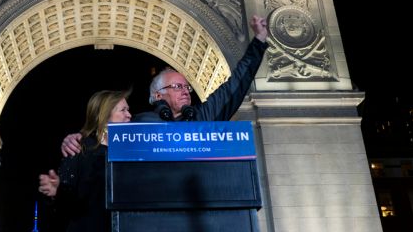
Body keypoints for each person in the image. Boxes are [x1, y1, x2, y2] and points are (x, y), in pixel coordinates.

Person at [60, 14, 268, 156]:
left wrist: (259, 41)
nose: (186, 91)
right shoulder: (138, 123)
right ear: (158, 95)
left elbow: (234, 86)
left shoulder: (202, 117)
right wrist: (78, 139)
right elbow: (103, 137)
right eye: (177, 87)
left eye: (186, 87)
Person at [38, 89, 132, 232]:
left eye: (128, 109)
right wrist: (57, 191)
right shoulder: (80, 149)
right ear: (103, 115)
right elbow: (68, 206)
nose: (129, 115)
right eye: (123, 110)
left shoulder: (134, 152)